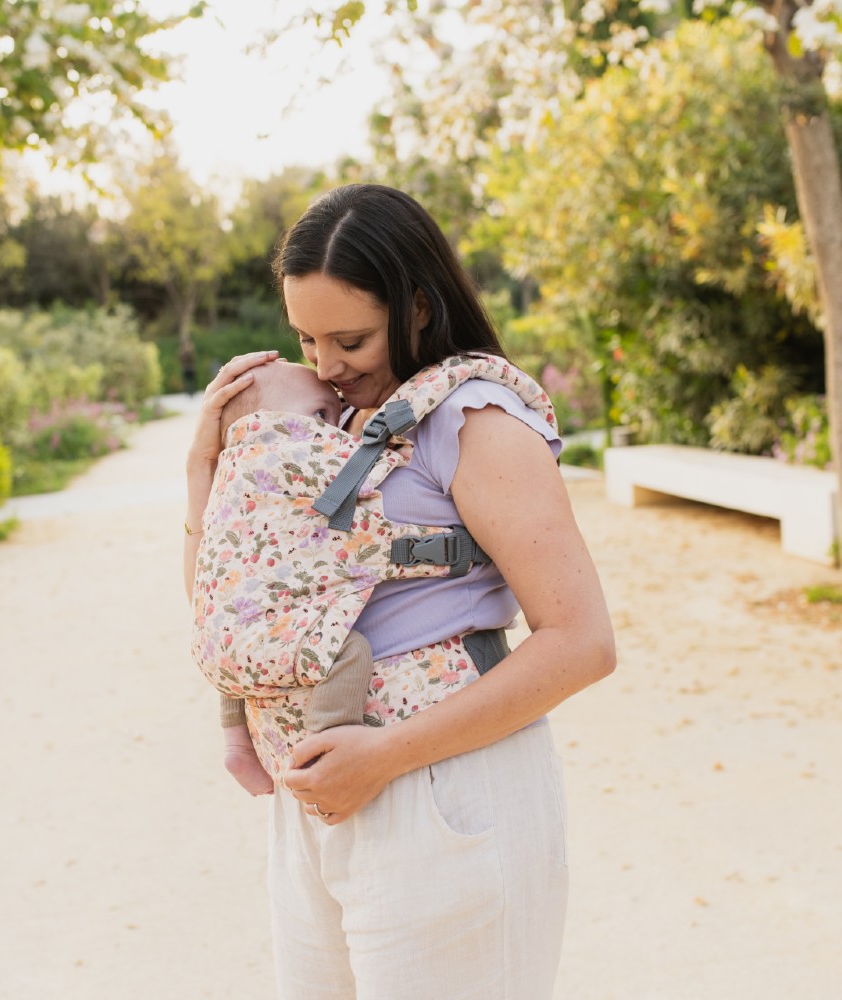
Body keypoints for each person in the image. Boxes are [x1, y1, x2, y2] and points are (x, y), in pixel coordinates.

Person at [183, 183, 616, 1000]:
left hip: (441, 793)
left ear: (418, 307)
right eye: (307, 340)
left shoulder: (476, 421)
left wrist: (384, 756)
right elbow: (227, 610)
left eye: (349, 339)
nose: (325, 367)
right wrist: (202, 469)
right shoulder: (326, 427)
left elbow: (583, 642)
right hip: (318, 804)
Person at [206, 360, 375, 797]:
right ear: (268, 422)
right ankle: (324, 748)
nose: (335, 428)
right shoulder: (296, 455)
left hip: (220, 635)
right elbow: (364, 480)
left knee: (236, 640)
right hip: (265, 630)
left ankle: (235, 743)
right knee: (347, 649)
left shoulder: (231, 471)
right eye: (320, 414)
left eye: (337, 413)